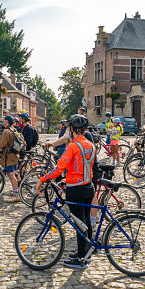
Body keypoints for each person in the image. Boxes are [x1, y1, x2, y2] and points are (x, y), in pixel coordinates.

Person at [36, 114, 95, 269]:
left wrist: (43, 179)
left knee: (78, 224)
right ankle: (86, 252)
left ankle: (81, 258)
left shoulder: (73, 146)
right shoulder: (90, 144)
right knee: (86, 221)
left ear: (72, 129)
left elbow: (58, 169)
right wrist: (67, 179)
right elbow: (83, 167)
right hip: (88, 186)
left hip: (76, 189)